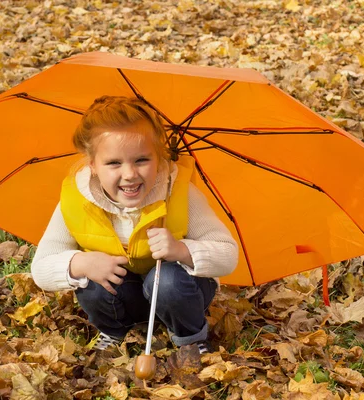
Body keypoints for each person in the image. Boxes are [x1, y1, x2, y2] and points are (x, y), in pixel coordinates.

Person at [31, 96, 238, 354]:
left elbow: (228, 254)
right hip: (124, 295)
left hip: (178, 294)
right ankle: (115, 329)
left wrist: (182, 251)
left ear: (160, 157)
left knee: (167, 280)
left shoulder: (180, 194)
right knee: (92, 281)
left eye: (141, 160)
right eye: (114, 163)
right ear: (93, 165)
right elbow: (40, 268)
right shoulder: (77, 200)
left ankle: (190, 338)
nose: (129, 174)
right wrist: (82, 263)